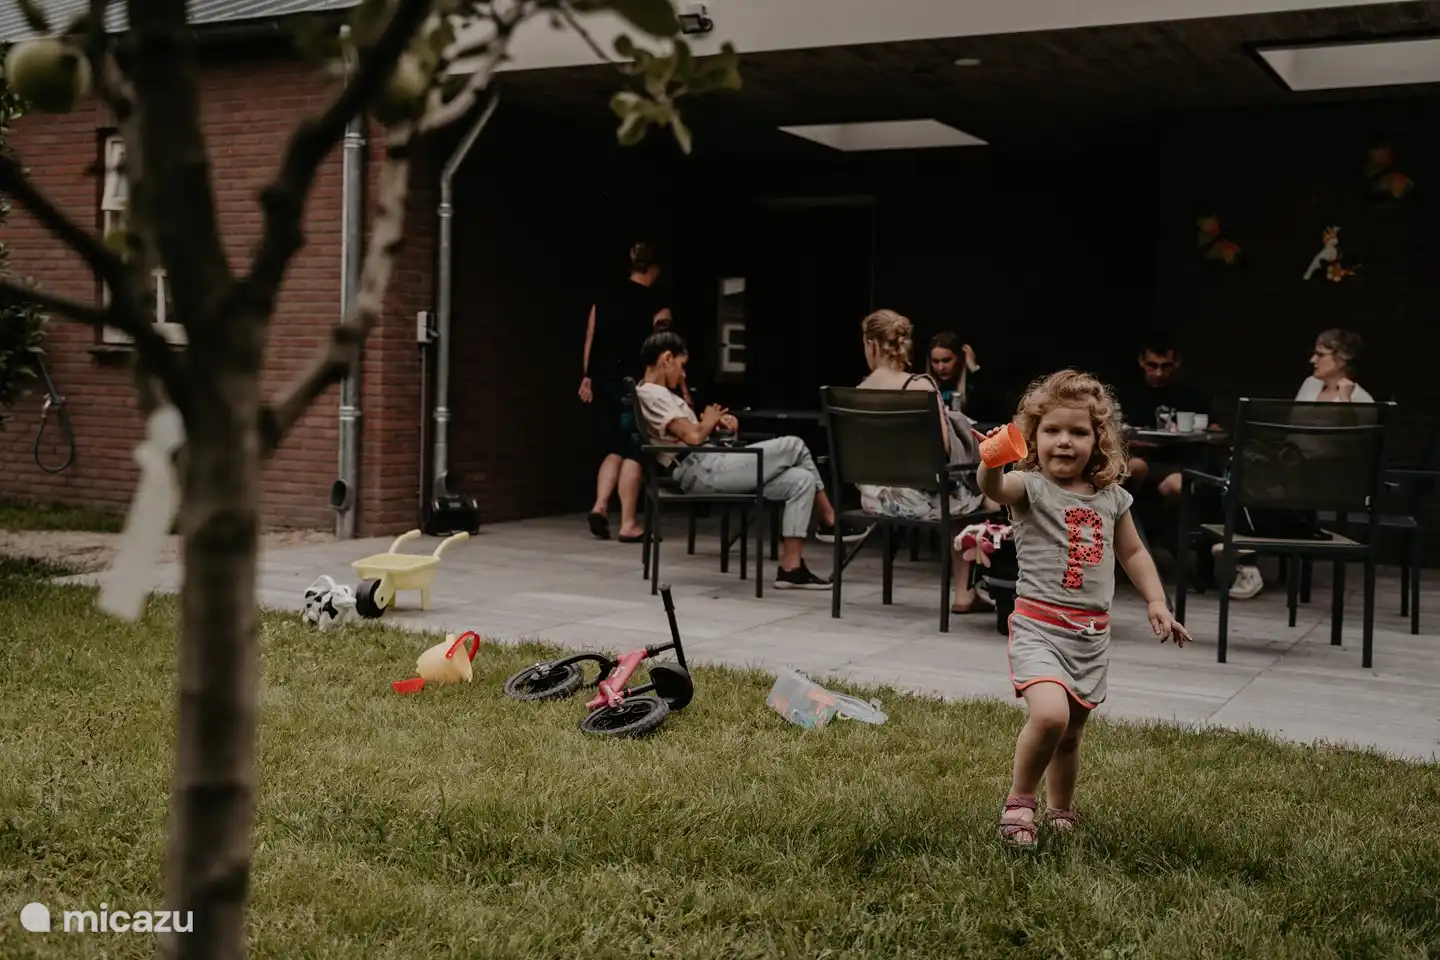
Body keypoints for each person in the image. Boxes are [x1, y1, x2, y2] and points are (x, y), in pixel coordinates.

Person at [975, 370, 1190, 849]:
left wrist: (1156, 601)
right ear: (1033, 439)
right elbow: (994, 488)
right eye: (1052, 431)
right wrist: (992, 460)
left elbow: (1133, 553)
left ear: (1100, 440)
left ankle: (1061, 808)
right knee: (1049, 716)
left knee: (1071, 733)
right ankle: (1019, 803)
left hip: (1090, 637)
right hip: (1039, 628)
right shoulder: (1029, 489)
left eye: (1078, 432)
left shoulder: (1113, 499)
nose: (1065, 442)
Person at [635, 330, 843, 590]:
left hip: (709, 463)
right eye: (682, 365)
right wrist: (707, 422)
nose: (683, 374)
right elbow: (692, 436)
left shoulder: (662, 393)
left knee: (802, 480)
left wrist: (719, 427)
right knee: (795, 445)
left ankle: (791, 567)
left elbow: (695, 434)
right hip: (700, 469)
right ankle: (830, 519)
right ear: (667, 359)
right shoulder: (651, 394)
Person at [857, 310, 997, 614]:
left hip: (874, 499)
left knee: (961, 496)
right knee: (982, 497)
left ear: (872, 345)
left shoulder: (858, 392)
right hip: (919, 500)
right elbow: (943, 452)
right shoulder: (921, 387)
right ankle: (967, 593)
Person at [1226, 328, 1375, 600]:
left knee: (1244, 480)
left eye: (1320, 354)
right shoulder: (1310, 385)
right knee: (1234, 473)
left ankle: (1239, 547)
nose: (1313, 360)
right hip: (1292, 470)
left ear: (1342, 359)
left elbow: (1354, 452)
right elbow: (1294, 431)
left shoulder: (1361, 400)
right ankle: (1244, 555)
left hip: (1325, 481)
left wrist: (1343, 400)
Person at [578, 242, 673, 543]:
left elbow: (591, 336)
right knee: (634, 449)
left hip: (604, 381)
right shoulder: (657, 302)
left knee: (613, 447)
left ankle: (600, 504)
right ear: (655, 269)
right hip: (634, 385)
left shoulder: (604, 297)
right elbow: (663, 348)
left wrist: (587, 377)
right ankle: (629, 523)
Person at [1117, 334, 1212, 502]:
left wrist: (1201, 433)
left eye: (1166, 366)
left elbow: (1215, 430)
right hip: (1140, 457)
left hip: (1179, 461)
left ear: (1177, 363)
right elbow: (1112, 431)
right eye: (1152, 365)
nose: (1159, 373)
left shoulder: (1190, 396)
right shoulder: (1128, 394)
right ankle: (1130, 522)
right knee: (1132, 468)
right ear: (1141, 362)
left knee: (1178, 486)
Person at [927, 331, 991, 417]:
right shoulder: (925, 386)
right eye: (935, 361)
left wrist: (974, 369)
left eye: (946, 360)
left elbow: (991, 408)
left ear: (960, 358)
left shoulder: (973, 386)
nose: (940, 367)